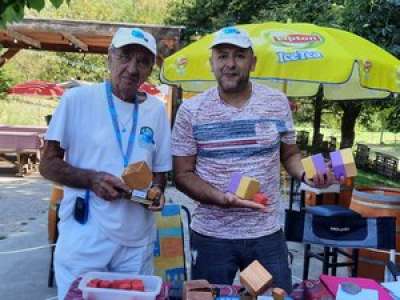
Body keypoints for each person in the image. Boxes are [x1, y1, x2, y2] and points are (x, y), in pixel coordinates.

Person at [171, 26, 336, 292]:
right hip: (212, 235)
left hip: (266, 233)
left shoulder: (277, 102)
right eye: (222, 56)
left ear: (253, 62)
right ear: (211, 63)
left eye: (239, 55)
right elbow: (182, 175)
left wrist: (309, 173)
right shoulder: (191, 110)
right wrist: (222, 197)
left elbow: (290, 154)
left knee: (276, 296)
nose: (231, 64)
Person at [40, 27, 171, 299]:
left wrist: (157, 192)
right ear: (109, 57)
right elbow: (47, 164)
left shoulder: (156, 110)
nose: (132, 68)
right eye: (125, 56)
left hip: (136, 239)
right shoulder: (77, 100)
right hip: (85, 235)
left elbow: (160, 173)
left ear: (150, 69)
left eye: (143, 61)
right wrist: (92, 179)